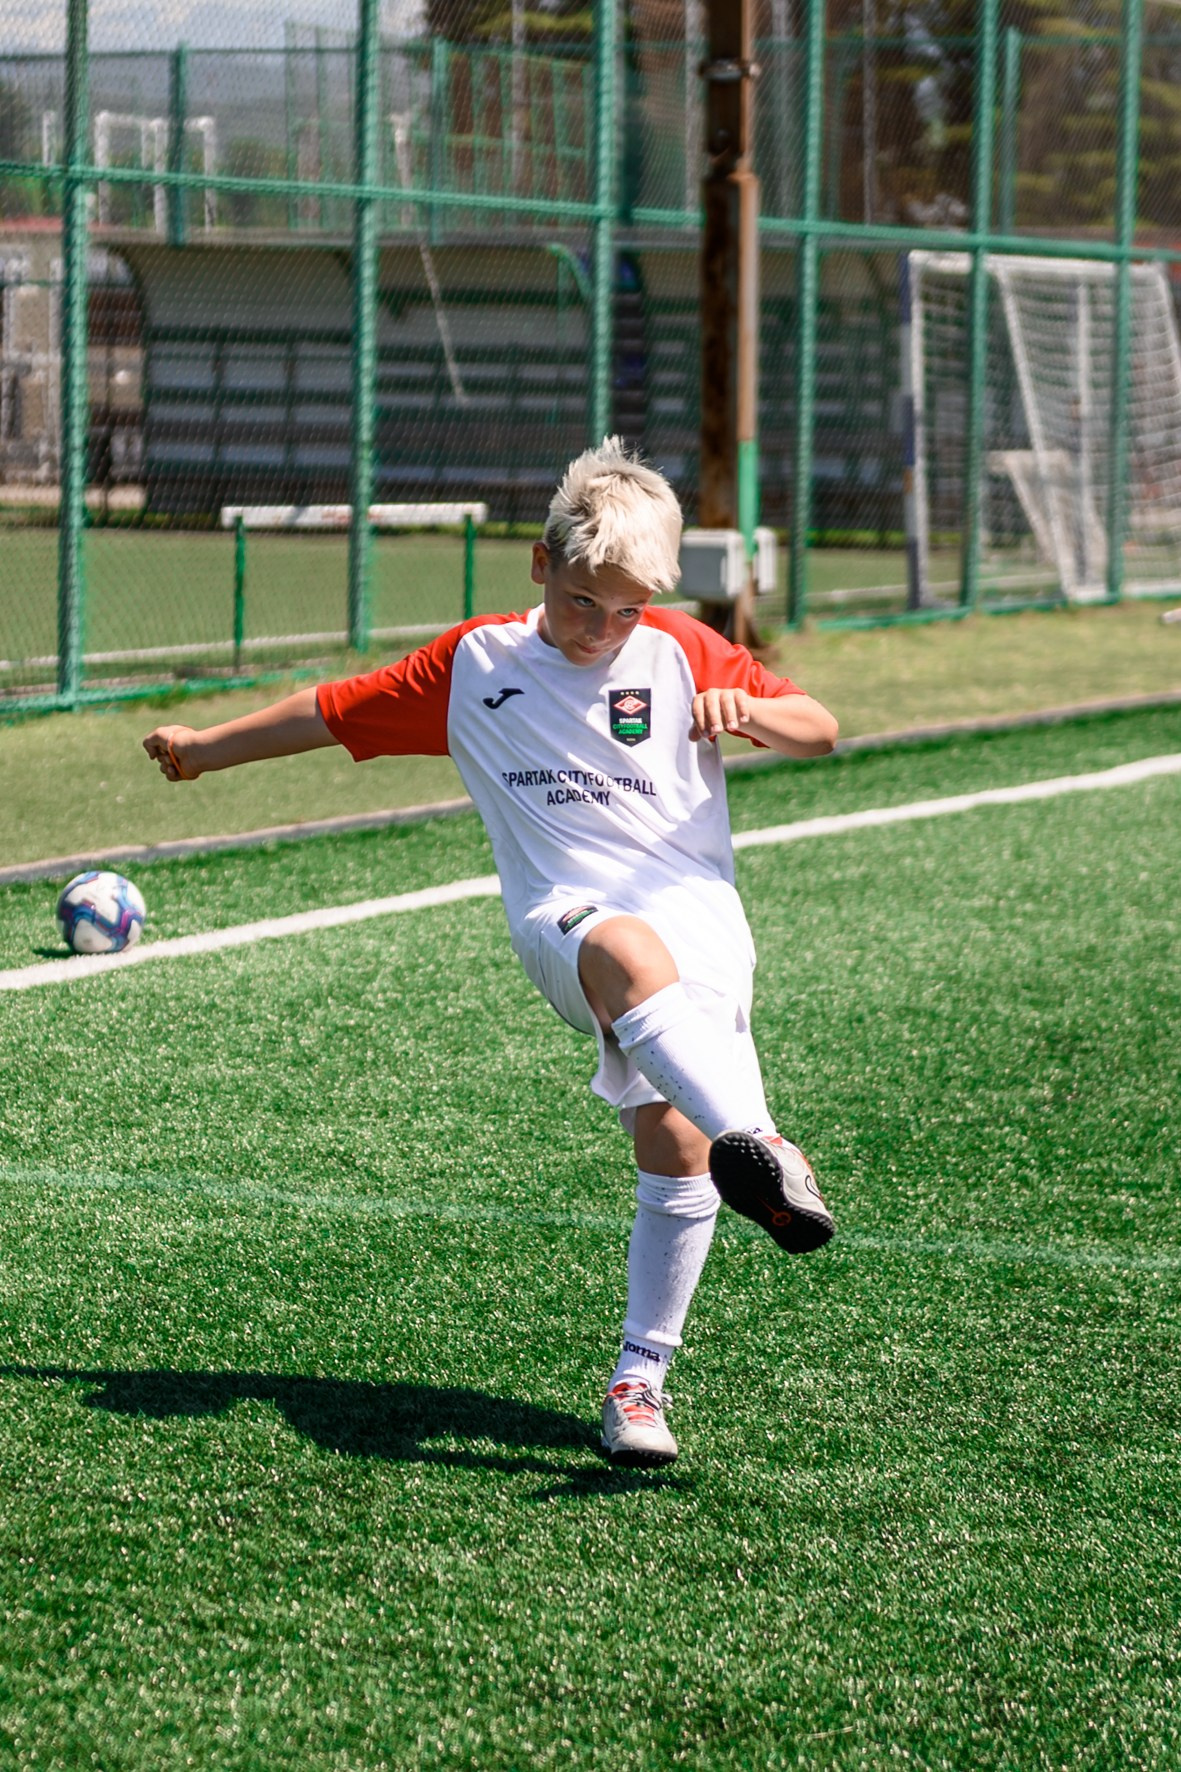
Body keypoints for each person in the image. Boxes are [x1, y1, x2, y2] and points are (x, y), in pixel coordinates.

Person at [143, 438, 840, 1469]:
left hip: (701, 919)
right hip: (566, 914)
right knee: (627, 955)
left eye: (626, 611)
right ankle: (767, 1143)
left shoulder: (682, 648)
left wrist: (756, 712)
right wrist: (204, 748)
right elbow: (332, 711)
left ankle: (638, 1381)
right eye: (581, 602)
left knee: (677, 1145)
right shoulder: (477, 665)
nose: (601, 629)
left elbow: (818, 727)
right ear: (539, 564)